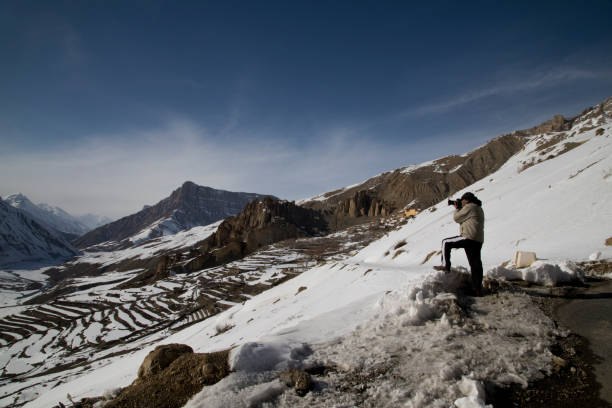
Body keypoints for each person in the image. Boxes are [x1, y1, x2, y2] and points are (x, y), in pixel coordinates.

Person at [434, 192, 485, 296]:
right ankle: (477, 289)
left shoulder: (469, 207)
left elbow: (457, 218)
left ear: (467, 200)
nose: (461, 201)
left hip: (468, 237)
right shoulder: (478, 207)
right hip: (478, 239)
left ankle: (445, 265)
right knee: (475, 264)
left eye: (463, 200)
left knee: (446, 242)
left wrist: (457, 208)